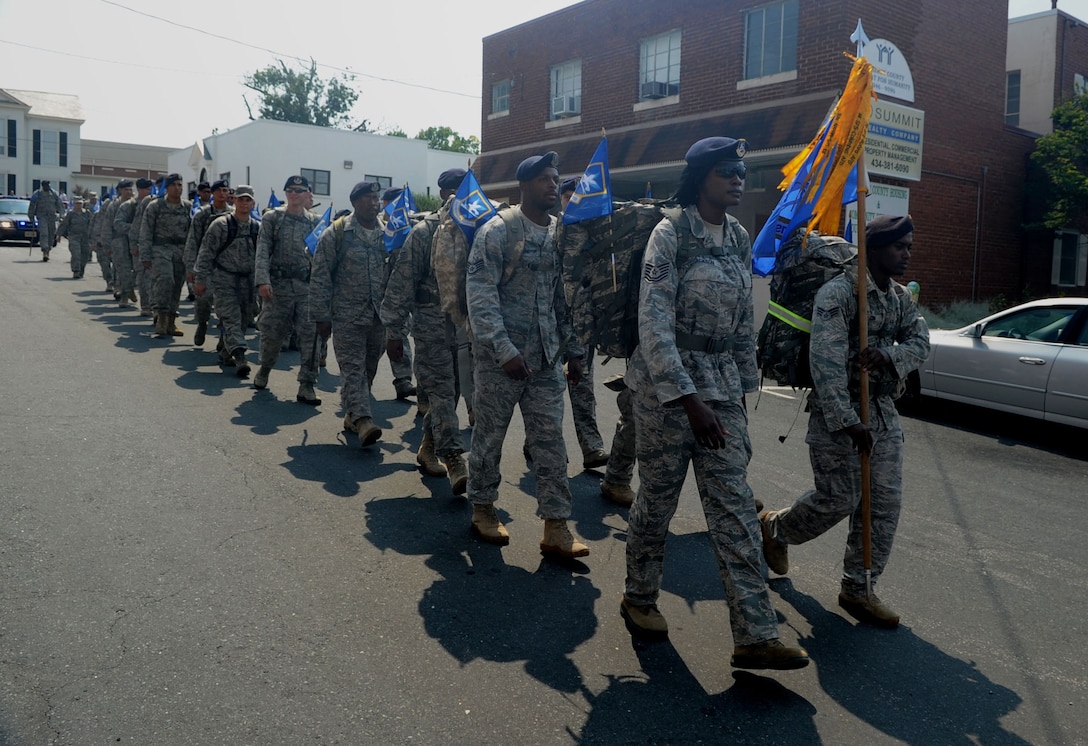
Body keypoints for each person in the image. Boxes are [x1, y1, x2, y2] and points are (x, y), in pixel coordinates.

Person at [621, 136, 808, 670]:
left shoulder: (739, 236)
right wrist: (688, 399)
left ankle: (756, 633)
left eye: (741, 172)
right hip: (667, 393)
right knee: (656, 502)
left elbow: (742, 318)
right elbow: (652, 321)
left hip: (722, 388)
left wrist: (744, 388)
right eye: (726, 170)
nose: (737, 179)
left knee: (734, 509)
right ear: (701, 175)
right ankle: (639, 597)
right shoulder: (669, 234)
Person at [759, 215, 931, 630]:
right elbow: (825, 362)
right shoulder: (839, 293)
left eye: (909, 246)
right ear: (875, 248)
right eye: (898, 246)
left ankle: (859, 587)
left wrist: (890, 356)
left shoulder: (899, 298)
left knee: (883, 505)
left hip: (883, 412)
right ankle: (775, 528)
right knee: (838, 499)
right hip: (839, 415)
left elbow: (920, 341)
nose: (906, 253)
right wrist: (847, 421)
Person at [465, 151, 590, 559]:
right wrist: (503, 350)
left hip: (546, 360)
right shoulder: (498, 230)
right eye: (545, 180)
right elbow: (480, 297)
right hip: (503, 360)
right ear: (525, 185)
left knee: (550, 442)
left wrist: (572, 351)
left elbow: (561, 298)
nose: (554, 186)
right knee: (489, 436)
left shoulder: (557, 233)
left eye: (556, 179)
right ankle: (483, 507)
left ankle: (556, 525)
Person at [380, 169, 469, 491]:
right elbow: (401, 282)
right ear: (446, 193)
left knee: (455, 391)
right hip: (431, 323)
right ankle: (455, 458)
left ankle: (428, 447)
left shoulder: (479, 228)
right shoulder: (424, 232)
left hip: (466, 326)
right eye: (458, 190)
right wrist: (394, 332)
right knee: (443, 392)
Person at [309, 182, 388, 442]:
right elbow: (320, 276)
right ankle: (364, 421)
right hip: (346, 316)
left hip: (378, 316)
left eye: (376, 198)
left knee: (369, 369)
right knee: (353, 369)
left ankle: (352, 414)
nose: (374, 203)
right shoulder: (337, 233)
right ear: (355, 202)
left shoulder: (387, 234)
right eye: (368, 198)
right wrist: (322, 316)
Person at [557, 176, 611, 471]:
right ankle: (537, 441)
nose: (572, 201)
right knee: (545, 388)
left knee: (582, 387)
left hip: (582, 326)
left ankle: (591, 447)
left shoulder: (595, 235)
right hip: (550, 324)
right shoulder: (553, 231)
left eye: (577, 196)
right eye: (568, 196)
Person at [253, 175, 321, 399]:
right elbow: (263, 250)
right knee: (272, 334)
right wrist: (263, 280)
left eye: (299, 191)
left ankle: (307, 383)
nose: (294, 194)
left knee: (311, 337)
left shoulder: (315, 222)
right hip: (278, 286)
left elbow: (322, 257)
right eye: (290, 190)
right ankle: (264, 368)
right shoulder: (273, 218)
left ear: (307, 194)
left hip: (306, 287)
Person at [193, 185, 260, 378]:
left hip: (248, 281)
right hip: (224, 279)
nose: (244, 203)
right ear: (234, 201)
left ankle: (225, 350)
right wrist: (201, 279)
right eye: (240, 199)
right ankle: (240, 357)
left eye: (248, 200)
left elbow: (263, 258)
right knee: (231, 318)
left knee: (245, 319)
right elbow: (206, 254)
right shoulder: (220, 225)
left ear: (253, 203)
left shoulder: (257, 228)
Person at [139, 173, 192, 338]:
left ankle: (171, 321)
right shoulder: (155, 206)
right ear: (167, 187)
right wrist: (145, 256)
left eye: (180, 184)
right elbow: (146, 231)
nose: (178, 188)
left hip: (181, 250)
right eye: (174, 185)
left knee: (177, 285)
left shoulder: (188, 207)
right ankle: (161, 318)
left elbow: (193, 233)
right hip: (160, 249)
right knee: (165, 281)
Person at [379, 186, 417, 401]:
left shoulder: (407, 230)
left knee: (399, 335)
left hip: (396, 296)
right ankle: (361, 381)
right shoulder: (377, 228)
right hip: (372, 296)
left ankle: (403, 380)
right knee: (371, 344)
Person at [185, 179, 232, 350]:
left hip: (227, 267)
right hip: (206, 265)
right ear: (213, 193)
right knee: (203, 299)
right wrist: (191, 268)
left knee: (226, 304)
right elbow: (192, 242)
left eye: (225, 190)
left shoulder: (234, 215)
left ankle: (223, 337)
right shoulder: (202, 214)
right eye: (218, 190)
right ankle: (203, 323)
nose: (222, 193)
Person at [112, 179, 149, 308]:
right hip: (123, 243)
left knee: (142, 273)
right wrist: (134, 227)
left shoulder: (153, 205)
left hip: (142, 243)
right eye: (148, 190)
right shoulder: (128, 205)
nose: (150, 193)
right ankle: (124, 295)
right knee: (125, 271)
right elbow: (117, 224)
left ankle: (142, 301)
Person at [27, 179, 65, 262]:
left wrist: (62, 215)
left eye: (48, 185)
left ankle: (48, 249)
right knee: (44, 233)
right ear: (42, 186)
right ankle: (45, 251)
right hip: (42, 216)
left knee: (51, 234)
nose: (47, 187)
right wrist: (31, 217)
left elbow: (59, 205)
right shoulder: (37, 194)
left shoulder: (54, 194)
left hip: (52, 217)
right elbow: (32, 206)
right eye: (45, 185)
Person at [57, 198, 92, 279]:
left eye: (80, 203)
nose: (78, 205)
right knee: (76, 254)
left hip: (85, 237)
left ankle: (81, 270)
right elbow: (64, 224)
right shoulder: (71, 214)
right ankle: (76, 271)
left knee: (85, 255)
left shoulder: (87, 213)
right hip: (74, 237)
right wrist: (59, 235)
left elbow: (92, 224)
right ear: (74, 204)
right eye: (77, 203)